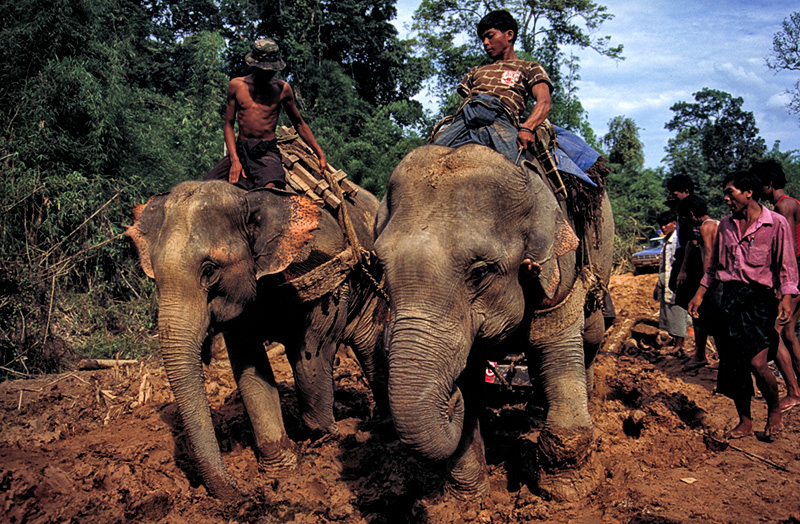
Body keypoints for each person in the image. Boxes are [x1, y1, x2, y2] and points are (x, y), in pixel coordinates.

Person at [688, 170, 799, 441]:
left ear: (748, 193)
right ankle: (745, 421)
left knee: (758, 362)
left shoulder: (776, 223)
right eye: (725, 193)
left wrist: (786, 298)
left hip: (761, 300)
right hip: (732, 298)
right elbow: (714, 266)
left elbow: (786, 265)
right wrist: (700, 293)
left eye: (730, 192)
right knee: (734, 364)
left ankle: (774, 409)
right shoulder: (726, 224)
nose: (726, 198)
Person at [205, 38, 328, 190]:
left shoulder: (282, 88)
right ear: (255, 66)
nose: (269, 74)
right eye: (265, 70)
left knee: (270, 189)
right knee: (206, 187)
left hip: (266, 151)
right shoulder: (237, 86)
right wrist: (235, 159)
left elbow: (299, 123)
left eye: (272, 70)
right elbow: (229, 125)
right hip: (241, 149)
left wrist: (319, 154)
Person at [755, 159, 800, 412]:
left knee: (775, 331)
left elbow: (789, 249)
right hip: (798, 276)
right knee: (790, 331)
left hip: (793, 278)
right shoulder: (792, 203)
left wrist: (784, 286)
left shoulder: (782, 208)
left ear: (768, 185)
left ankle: (793, 392)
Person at [676, 195, 720, 363]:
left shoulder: (705, 228)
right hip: (718, 278)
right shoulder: (717, 224)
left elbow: (708, 253)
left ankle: (722, 361)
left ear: (692, 214)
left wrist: (705, 283)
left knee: (713, 320)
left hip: (712, 280)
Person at [653, 211, 691, 353]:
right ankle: (676, 341)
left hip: (675, 279)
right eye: (661, 225)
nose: (663, 227)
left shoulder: (677, 240)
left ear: (674, 224)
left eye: (666, 224)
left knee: (677, 311)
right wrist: (658, 284)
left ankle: (680, 344)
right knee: (668, 311)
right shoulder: (666, 240)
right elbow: (663, 265)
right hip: (665, 278)